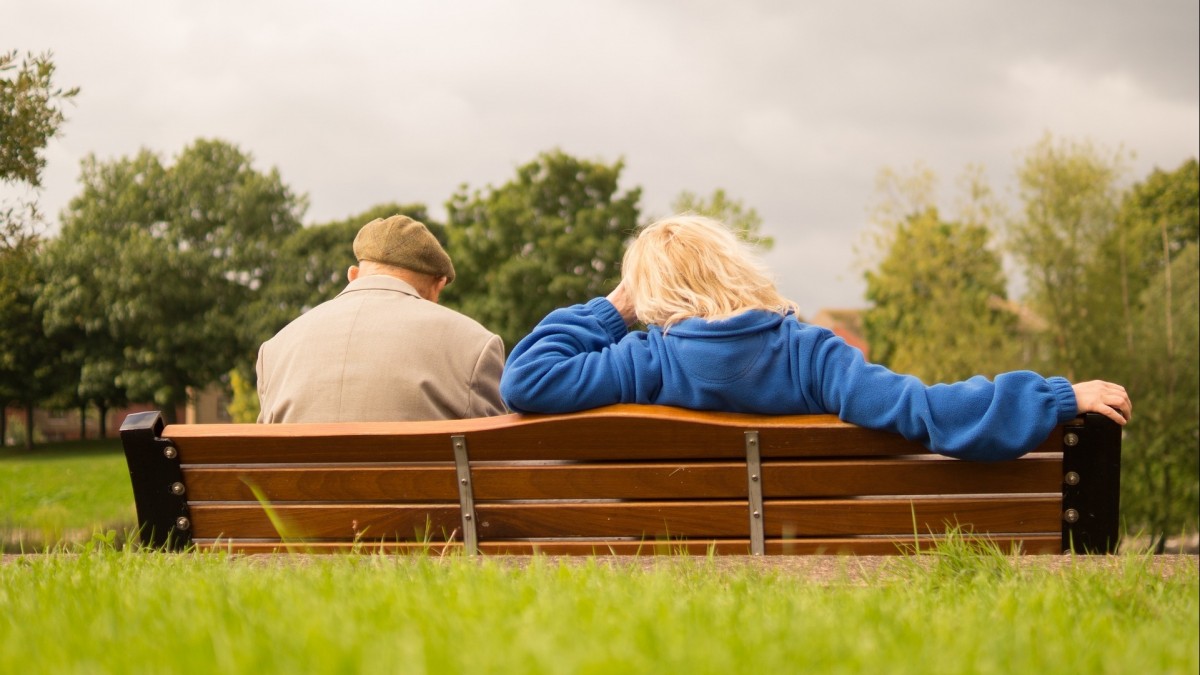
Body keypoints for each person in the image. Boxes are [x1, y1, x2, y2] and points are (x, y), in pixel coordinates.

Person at [500, 215, 1131, 461]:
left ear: (652, 295)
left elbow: (525, 379)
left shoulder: (641, 360)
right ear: (735, 269)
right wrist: (1053, 398)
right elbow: (925, 410)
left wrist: (614, 310)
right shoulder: (811, 354)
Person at [257, 215, 507, 423]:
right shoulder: (475, 344)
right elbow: (497, 459)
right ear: (438, 284)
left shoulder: (274, 350)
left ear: (353, 275)